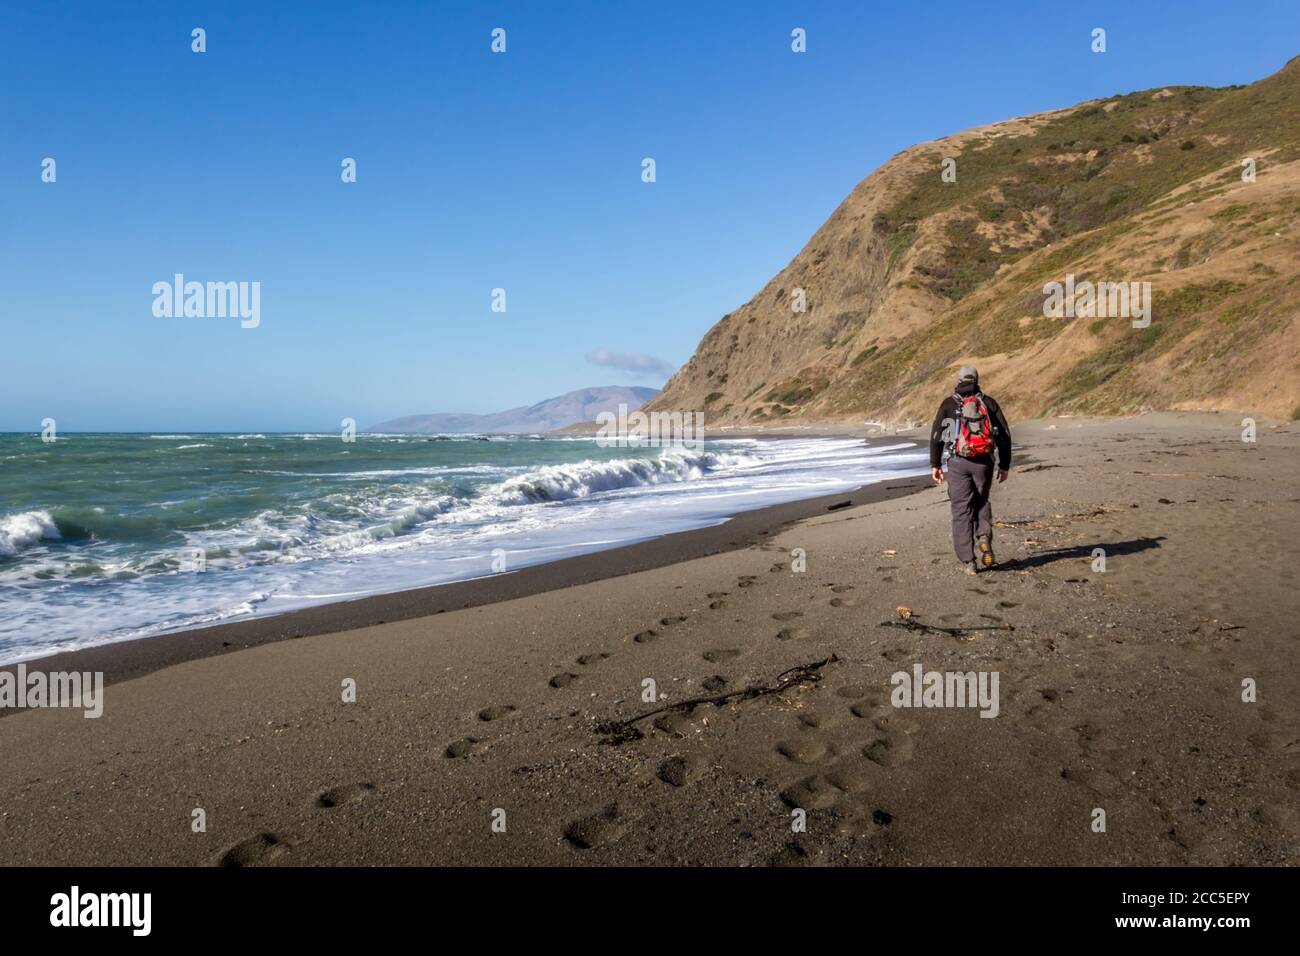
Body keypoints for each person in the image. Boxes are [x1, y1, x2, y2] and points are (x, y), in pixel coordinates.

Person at [928, 367, 1011, 575]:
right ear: (977, 380)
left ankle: (969, 562)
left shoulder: (949, 404)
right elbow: (1004, 435)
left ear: (958, 380)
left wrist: (935, 464)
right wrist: (1004, 464)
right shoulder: (988, 403)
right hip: (984, 462)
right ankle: (983, 537)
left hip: (958, 462)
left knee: (960, 510)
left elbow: (937, 435)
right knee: (981, 501)